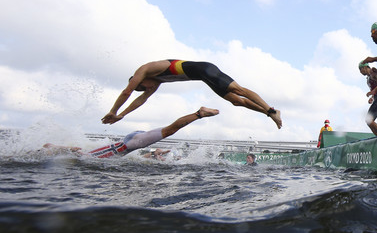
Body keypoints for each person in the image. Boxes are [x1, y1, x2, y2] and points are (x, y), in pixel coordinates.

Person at [101, 60, 281, 129]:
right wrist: (121, 116)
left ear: (140, 81)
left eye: (144, 87)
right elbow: (140, 101)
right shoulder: (155, 84)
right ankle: (268, 113)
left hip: (205, 69)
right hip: (203, 78)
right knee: (237, 102)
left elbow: (127, 92)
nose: (149, 89)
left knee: (238, 90)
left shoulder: (144, 70)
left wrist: (113, 111)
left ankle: (272, 111)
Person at [43, 107, 219, 158]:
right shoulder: (95, 155)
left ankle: (199, 114)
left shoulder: (91, 156)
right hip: (129, 142)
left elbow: (77, 152)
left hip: (129, 144)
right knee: (168, 130)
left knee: (169, 131)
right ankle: (198, 114)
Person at [359, 61, 377, 136]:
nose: (361, 72)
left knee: (369, 120)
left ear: (364, 67)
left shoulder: (373, 73)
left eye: (361, 70)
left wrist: (372, 91)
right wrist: (372, 97)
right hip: (376, 99)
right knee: (368, 121)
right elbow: (375, 89)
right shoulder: (369, 78)